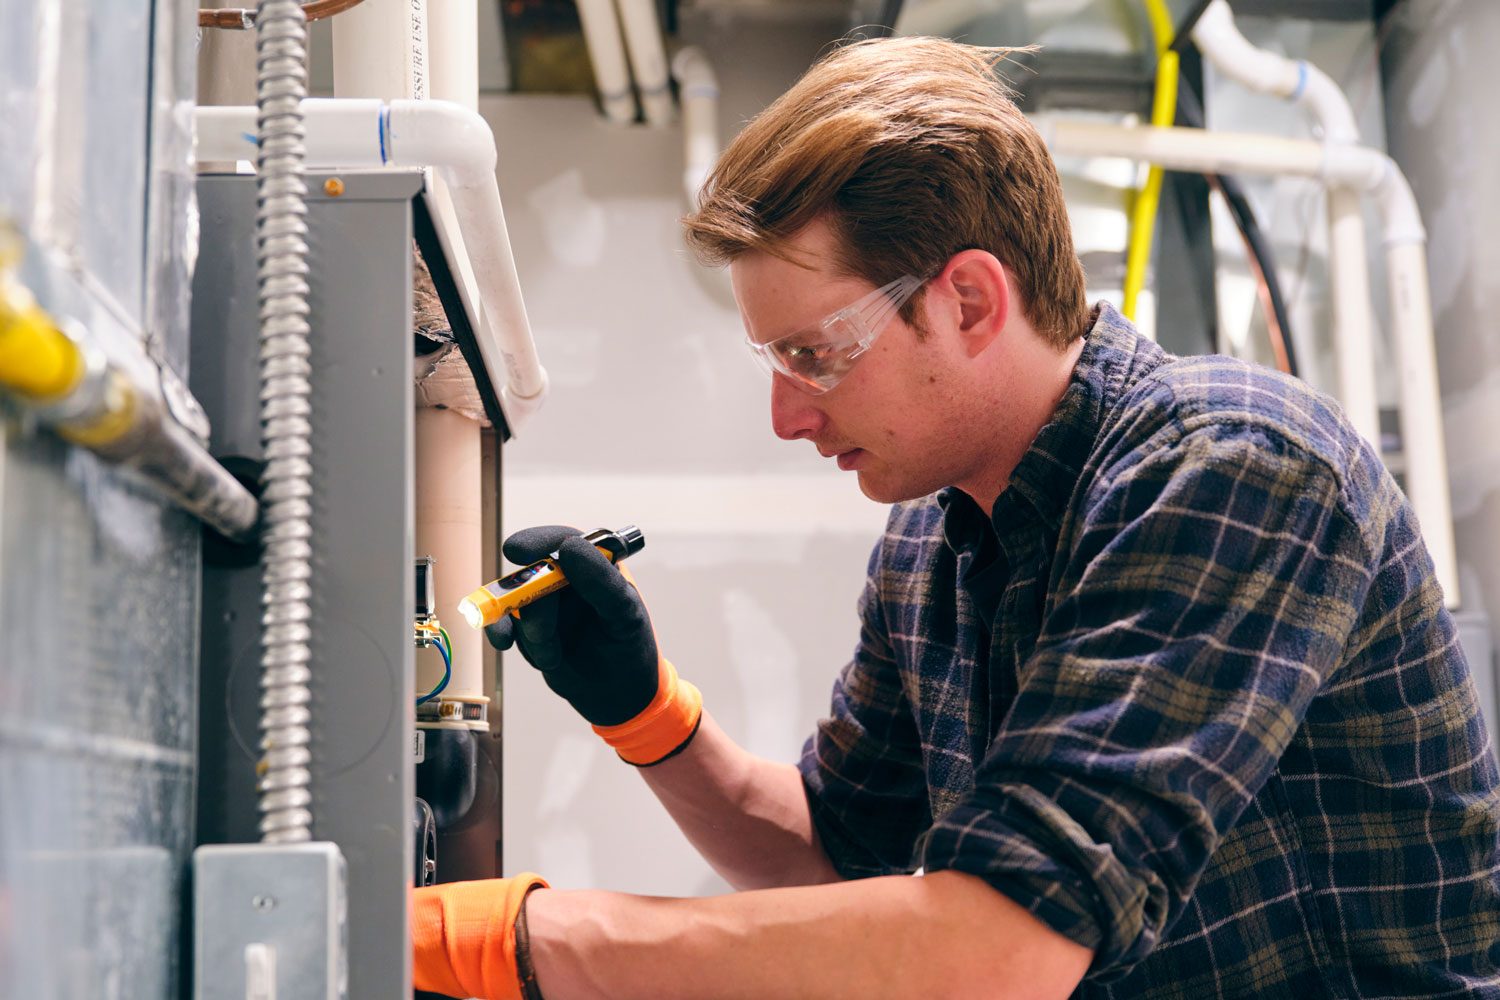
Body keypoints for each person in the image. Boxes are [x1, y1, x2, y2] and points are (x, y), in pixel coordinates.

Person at [411, 35, 1500, 999]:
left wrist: (526, 940)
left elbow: (998, 954)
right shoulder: (933, 542)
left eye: (813, 353)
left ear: (970, 301)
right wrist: (649, 715)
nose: (788, 415)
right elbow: (838, 858)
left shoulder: (1235, 465)